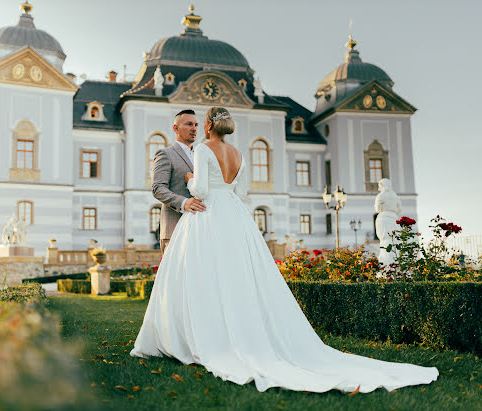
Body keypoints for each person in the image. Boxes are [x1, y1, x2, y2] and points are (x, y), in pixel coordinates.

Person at [131, 107, 438, 393]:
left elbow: (200, 191)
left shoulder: (203, 150)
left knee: (206, 276)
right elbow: (235, 189)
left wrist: (190, 179)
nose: (196, 127)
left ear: (209, 125)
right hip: (233, 214)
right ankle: (215, 332)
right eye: (190, 124)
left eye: (200, 123)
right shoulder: (237, 152)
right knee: (232, 274)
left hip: (206, 214)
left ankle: (199, 336)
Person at [152, 109, 206, 253]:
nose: (194, 129)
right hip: (174, 229)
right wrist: (184, 202)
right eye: (189, 124)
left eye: (196, 125)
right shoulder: (165, 154)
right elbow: (158, 188)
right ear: (175, 128)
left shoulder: (202, 156)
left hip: (201, 231)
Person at [375, 178, 402, 266]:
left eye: (379, 186)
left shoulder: (380, 196)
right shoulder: (395, 196)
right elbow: (399, 209)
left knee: (385, 239)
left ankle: (386, 260)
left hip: (383, 218)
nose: (379, 188)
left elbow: (377, 209)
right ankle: (394, 259)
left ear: (382, 186)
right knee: (394, 239)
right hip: (394, 217)